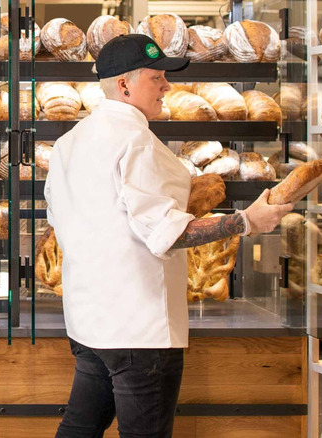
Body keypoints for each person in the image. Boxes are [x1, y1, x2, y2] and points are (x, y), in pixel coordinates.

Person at [44, 34, 295, 438]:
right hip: (139, 328)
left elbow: (67, 217)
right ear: (124, 85)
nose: (167, 87)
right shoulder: (137, 142)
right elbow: (168, 235)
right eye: (156, 77)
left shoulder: (68, 143)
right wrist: (247, 221)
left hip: (89, 320)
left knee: (79, 428)